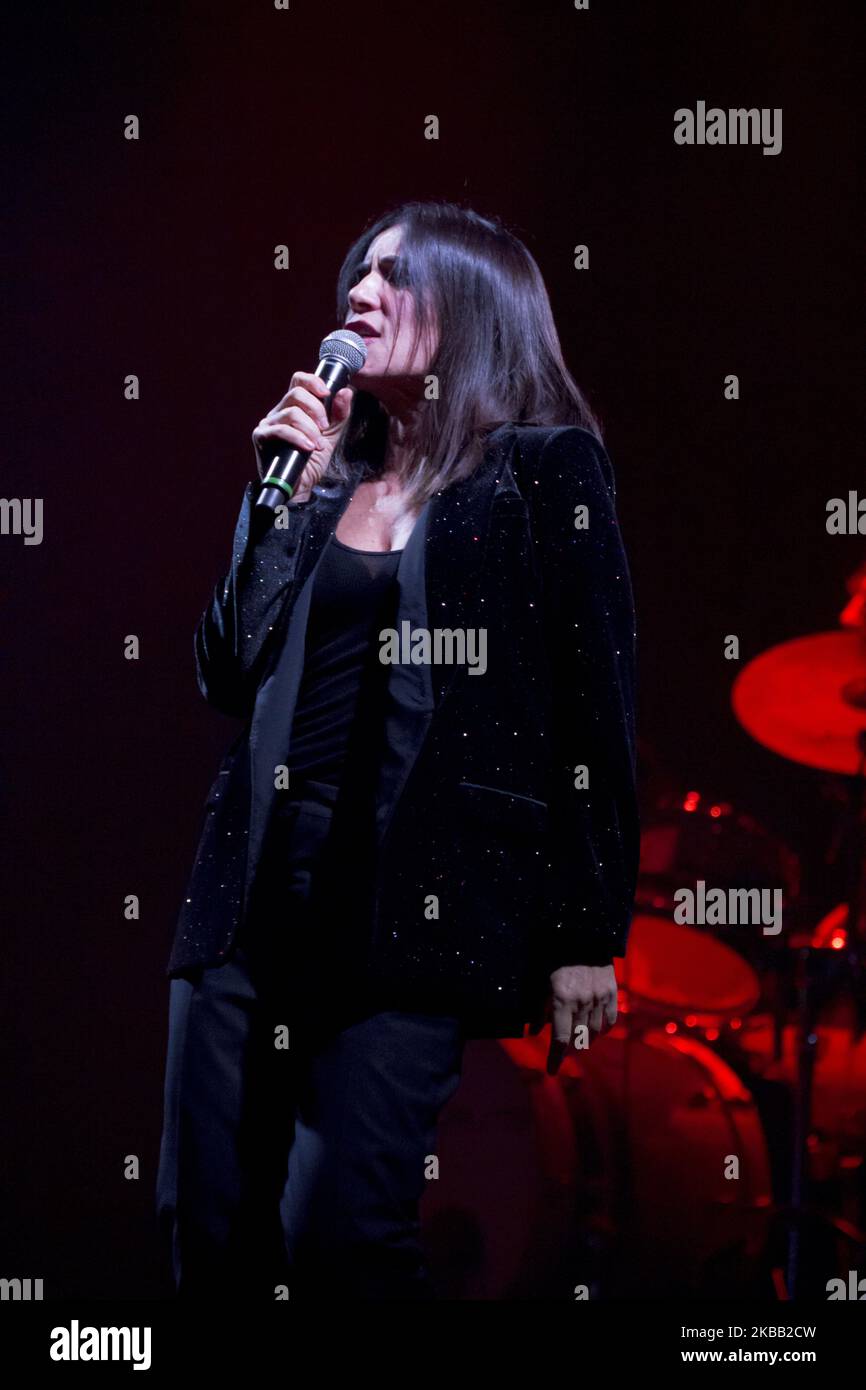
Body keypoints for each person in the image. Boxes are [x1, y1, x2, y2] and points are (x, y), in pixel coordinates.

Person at [156, 200, 639, 1300]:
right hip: (251, 895)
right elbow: (223, 673)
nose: (356, 296)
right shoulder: (313, 478)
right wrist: (273, 499)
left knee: (343, 1241)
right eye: (352, 277)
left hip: (414, 904)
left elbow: (594, 707)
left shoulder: (540, 473)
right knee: (206, 1229)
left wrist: (583, 926)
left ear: (471, 305)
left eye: (392, 276)